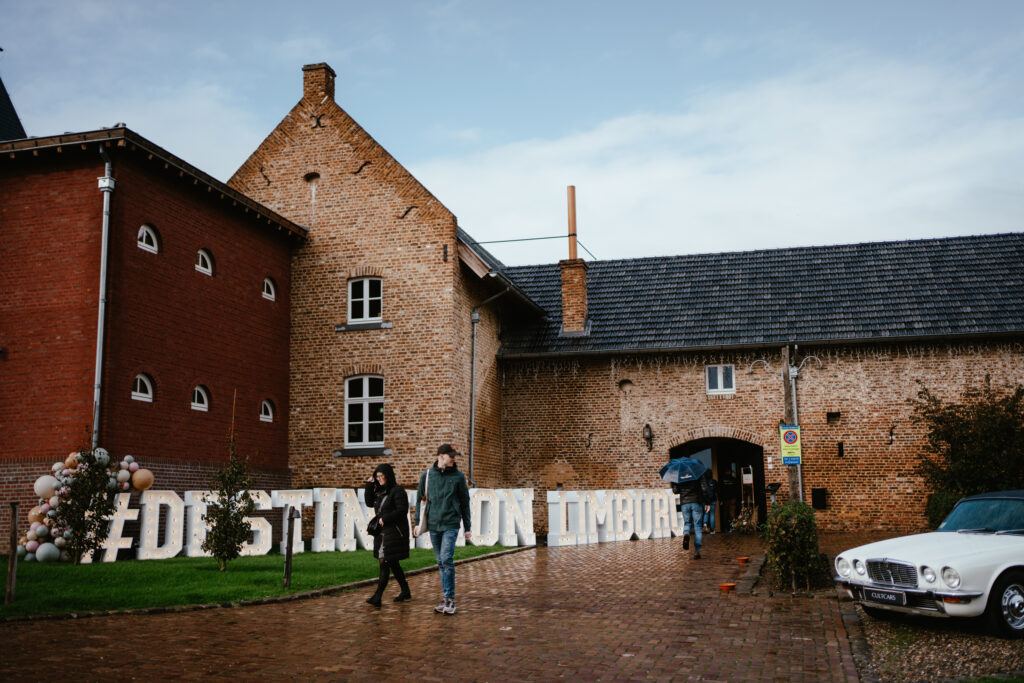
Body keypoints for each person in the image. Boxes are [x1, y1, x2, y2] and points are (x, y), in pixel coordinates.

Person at [413, 443, 471, 615]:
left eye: (454, 456)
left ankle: (450, 600)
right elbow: (420, 500)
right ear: (440, 456)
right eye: (450, 455)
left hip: (451, 524)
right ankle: (445, 599)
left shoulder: (459, 477)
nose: (454, 458)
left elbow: (465, 504)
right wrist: (417, 523)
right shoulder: (428, 476)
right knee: (440, 562)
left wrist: (468, 527)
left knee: (446, 559)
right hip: (434, 524)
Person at [363, 463, 411, 606]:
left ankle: (378, 597)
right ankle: (405, 590)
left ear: (388, 475)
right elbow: (369, 503)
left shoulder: (397, 491)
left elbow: (402, 510)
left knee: (384, 562)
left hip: (395, 531)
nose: (380, 479)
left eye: (382, 476)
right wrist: (369, 485)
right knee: (392, 562)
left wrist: (386, 518)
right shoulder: (379, 491)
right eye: (377, 477)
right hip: (382, 533)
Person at [672, 469, 712, 559]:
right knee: (698, 526)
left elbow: (675, 490)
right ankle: (697, 552)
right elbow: (704, 489)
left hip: (685, 503)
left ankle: (686, 533)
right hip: (696, 502)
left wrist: (676, 482)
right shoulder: (697, 473)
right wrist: (707, 502)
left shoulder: (680, 475)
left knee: (687, 523)